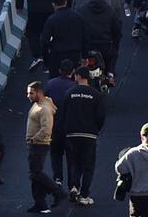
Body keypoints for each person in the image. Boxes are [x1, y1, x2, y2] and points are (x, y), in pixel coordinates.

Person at [61, 65, 107, 205]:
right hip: (89, 134)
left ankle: (74, 186)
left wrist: (66, 129)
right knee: (88, 165)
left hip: (72, 134)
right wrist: (95, 129)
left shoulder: (69, 93)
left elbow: (63, 114)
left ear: (78, 76)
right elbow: (101, 116)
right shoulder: (96, 94)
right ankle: (84, 195)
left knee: (75, 162)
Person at [25, 82, 63, 214]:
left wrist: (33, 139)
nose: (28, 95)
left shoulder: (44, 109)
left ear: (39, 93)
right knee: (35, 175)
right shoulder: (40, 104)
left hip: (39, 145)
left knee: (36, 174)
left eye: (31, 93)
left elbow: (46, 130)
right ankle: (40, 203)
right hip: (35, 144)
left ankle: (57, 192)